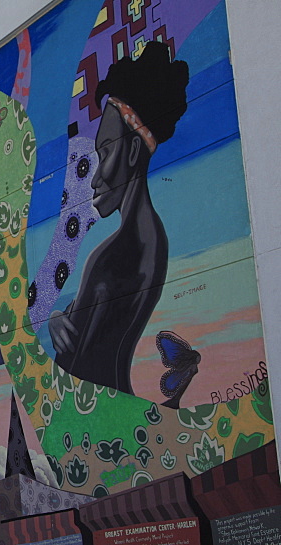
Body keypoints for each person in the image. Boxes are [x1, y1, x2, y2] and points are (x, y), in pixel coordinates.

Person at [49, 41, 189, 395]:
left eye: (105, 151)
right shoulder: (152, 239)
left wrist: (59, 322)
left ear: (129, 153)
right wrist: (58, 318)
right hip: (117, 408)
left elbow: (74, 366)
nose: (95, 178)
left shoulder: (113, 256)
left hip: (91, 425)